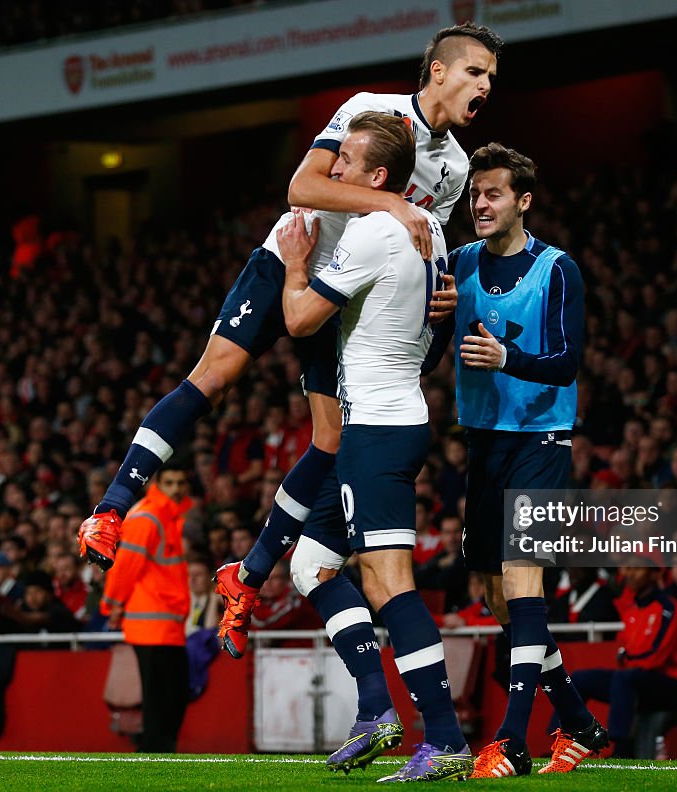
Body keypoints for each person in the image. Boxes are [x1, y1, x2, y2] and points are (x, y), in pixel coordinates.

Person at [76, 23, 501, 657]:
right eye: (476, 72)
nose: (485, 86)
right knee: (215, 377)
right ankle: (111, 509)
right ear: (439, 72)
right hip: (289, 256)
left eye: (492, 77)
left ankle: (246, 578)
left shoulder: (456, 168)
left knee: (329, 438)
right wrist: (388, 206)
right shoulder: (367, 110)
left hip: (342, 294)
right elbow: (302, 186)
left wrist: (442, 293)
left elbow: (422, 244)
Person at [277, 111, 471, 782]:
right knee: (312, 567)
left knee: (390, 586)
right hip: (390, 418)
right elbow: (438, 319)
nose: (335, 170)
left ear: (379, 176)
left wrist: (296, 266)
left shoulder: (372, 232)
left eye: (347, 162)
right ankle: (375, 712)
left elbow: (300, 318)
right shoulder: (431, 228)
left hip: (378, 429)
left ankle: (444, 739)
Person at [420, 143, 606, 778]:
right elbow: (435, 345)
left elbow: (566, 363)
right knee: (499, 599)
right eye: (475, 194)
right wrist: (431, 323)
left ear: (523, 201)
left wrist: (508, 360)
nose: (480, 204)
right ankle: (579, 723)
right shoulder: (462, 264)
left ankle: (511, 739)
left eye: (493, 193)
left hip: (540, 441)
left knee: (523, 586)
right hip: (482, 442)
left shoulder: (557, 270)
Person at [99, 460, 192, 753]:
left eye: (180, 483)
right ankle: (155, 756)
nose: (176, 490)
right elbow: (124, 567)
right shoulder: (148, 518)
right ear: (156, 485)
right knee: (162, 700)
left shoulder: (165, 517)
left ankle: (158, 752)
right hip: (151, 624)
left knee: (171, 698)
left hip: (166, 625)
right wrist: (111, 605)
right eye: (169, 483)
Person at [571, 556, 677, 759]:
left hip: (675, 684)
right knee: (579, 679)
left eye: (636, 568)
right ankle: (567, 741)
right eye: (627, 568)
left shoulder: (667, 607)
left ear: (654, 573)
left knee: (624, 678)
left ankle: (622, 749)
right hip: (638, 681)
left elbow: (654, 657)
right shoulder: (631, 609)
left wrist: (628, 659)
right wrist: (627, 659)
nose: (629, 573)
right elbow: (625, 654)